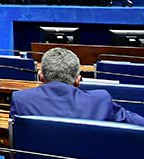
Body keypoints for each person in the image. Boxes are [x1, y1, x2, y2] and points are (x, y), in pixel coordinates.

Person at [10, 47, 144, 126]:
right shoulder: (100, 100)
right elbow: (136, 123)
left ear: (40, 76)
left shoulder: (21, 99)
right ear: (78, 80)